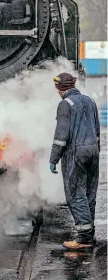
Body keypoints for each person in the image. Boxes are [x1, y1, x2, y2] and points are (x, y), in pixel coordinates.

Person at [49, 73, 100, 250]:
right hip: (93, 150)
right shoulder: (90, 101)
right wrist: (95, 150)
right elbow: (97, 129)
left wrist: (53, 158)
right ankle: (89, 233)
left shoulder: (65, 104)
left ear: (59, 88)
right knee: (89, 194)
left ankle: (84, 238)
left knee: (75, 194)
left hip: (75, 152)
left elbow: (61, 136)